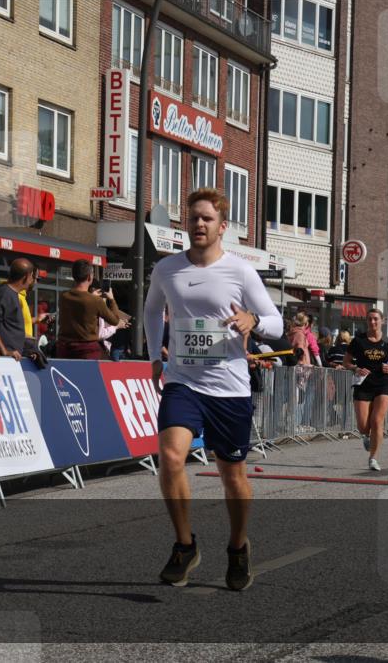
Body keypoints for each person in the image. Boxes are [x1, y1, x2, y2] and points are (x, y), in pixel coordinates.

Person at [144, 187, 282, 591]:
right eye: (193, 218)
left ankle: (238, 548)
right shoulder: (167, 269)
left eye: (206, 219)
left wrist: (252, 320)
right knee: (170, 457)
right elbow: (152, 310)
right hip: (183, 383)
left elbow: (276, 321)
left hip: (229, 388)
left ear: (223, 227)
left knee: (232, 475)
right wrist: (155, 357)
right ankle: (185, 545)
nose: (199, 224)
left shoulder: (240, 271)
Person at [343, 308, 388, 471]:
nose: (373, 322)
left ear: (382, 321)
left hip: (383, 384)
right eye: (370, 319)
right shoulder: (359, 341)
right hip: (363, 384)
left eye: (376, 319)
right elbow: (346, 362)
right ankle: (365, 436)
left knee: (377, 421)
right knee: (363, 426)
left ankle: (373, 458)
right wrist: (355, 368)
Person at [55, 259, 126, 359]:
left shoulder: (63, 296)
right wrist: (112, 299)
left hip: (64, 349)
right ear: (89, 277)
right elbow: (114, 320)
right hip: (87, 351)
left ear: (74, 276)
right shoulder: (96, 301)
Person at [0, 258, 36, 361]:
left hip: (14, 358)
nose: (32, 280)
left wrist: (27, 351)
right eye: (32, 276)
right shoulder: (4, 294)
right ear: (26, 277)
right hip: (4, 360)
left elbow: (12, 327)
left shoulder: (14, 294)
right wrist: (5, 351)